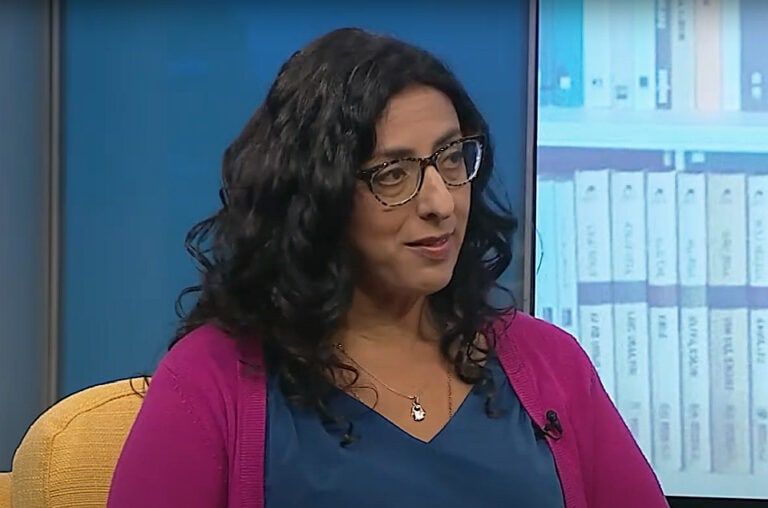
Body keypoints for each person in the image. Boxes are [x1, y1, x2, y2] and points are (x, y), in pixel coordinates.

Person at [107, 27, 669, 508]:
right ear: (317, 200)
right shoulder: (211, 380)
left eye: (452, 158)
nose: (441, 202)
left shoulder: (551, 363)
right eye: (393, 174)